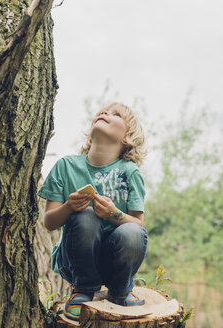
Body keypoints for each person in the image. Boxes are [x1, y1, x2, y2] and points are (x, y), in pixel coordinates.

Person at [37, 102, 148, 321]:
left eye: (116, 115)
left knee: (132, 233)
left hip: (116, 260)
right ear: (90, 136)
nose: (105, 113)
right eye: (103, 111)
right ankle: (83, 290)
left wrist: (112, 213)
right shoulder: (66, 166)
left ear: (127, 138)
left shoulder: (130, 172)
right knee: (86, 215)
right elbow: (49, 222)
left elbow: (138, 224)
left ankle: (120, 290)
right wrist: (69, 207)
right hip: (75, 261)